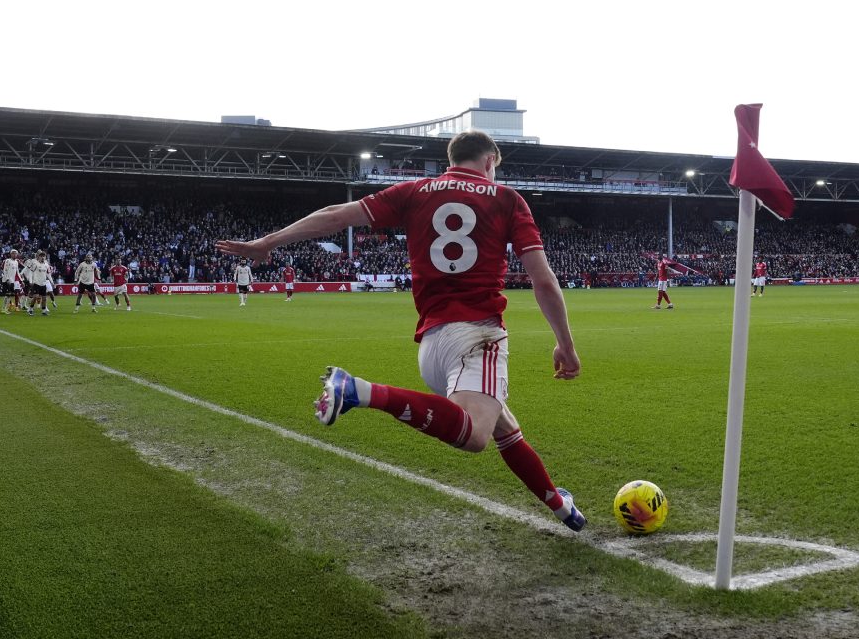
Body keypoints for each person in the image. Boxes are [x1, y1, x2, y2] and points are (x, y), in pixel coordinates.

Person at [215, 130, 586, 531]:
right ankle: (359, 390)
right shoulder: (507, 200)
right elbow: (543, 280)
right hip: (478, 334)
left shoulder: (415, 190)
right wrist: (565, 344)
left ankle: (560, 505)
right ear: (490, 161)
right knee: (477, 433)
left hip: (432, 345)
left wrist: (268, 241)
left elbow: (336, 216)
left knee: (503, 427)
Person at [24, 250, 51, 316]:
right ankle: (30, 309)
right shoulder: (35, 264)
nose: (42, 257)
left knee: (44, 298)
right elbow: (31, 272)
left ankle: (44, 311)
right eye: (41, 256)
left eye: (43, 256)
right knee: (35, 296)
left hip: (43, 283)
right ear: (38, 257)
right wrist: (30, 281)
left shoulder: (46, 265)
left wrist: (52, 282)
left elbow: (48, 274)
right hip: (36, 283)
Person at [0, 250, 21, 314]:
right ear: (11, 254)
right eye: (13, 254)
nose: (14, 255)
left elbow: (17, 272)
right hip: (7, 280)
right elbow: (5, 270)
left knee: (9, 295)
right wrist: (7, 279)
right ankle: (4, 309)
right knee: (7, 294)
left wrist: (21, 280)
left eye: (15, 254)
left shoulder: (16, 262)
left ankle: (4, 309)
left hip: (12, 281)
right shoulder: (7, 261)